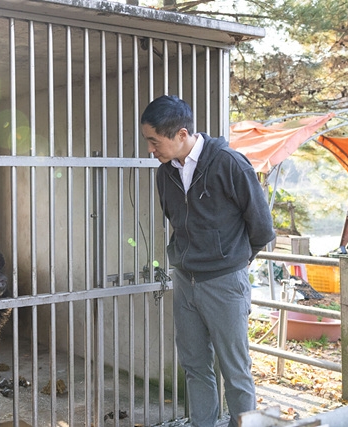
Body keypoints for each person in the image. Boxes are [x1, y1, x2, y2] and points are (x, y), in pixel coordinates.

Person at [141, 95, 275, 427]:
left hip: (224, 282)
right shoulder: (165, 173)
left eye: (154, 141)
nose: (150, 149)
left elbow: (262, 228)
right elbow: (175, 220)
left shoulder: (230, 164)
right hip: (185, 281)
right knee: (195, 367)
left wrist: (232, 262)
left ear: (181, 134)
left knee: (235, 371)